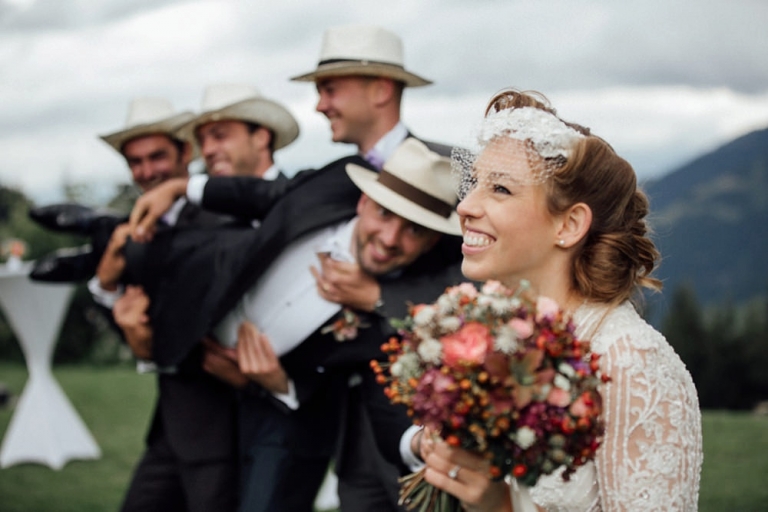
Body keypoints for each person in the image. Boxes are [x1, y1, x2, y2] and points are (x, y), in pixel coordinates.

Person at [124, 138, 464, 511]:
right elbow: (263, 192)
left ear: (431, 241)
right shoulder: (324, 193)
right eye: (384, 214)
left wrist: (280, 384)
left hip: (278, 415)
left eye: (414, 230)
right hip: (196, 378)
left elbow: (368, 391)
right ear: (364, 201)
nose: (389, 239)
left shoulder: (400, 313)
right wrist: (181, 188)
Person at [420, 89, 703, 511]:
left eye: (499, 188)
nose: (466, 206)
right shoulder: (503, 336)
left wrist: (498, 507)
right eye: (473, 183)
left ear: (569, 224)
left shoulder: (629, 362)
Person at [102, 92, 299, 512]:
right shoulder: (146, 225)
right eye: (135, 162)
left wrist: (152, 350)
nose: (148, 171)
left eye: (220, 136)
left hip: (245, 423)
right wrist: (106, 288)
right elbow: (146, 312)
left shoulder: (230, 214)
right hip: (180, 423)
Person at [290, 23, 458, 511]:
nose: (320, 104)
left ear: (380, 89)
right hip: (354, 429)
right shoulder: (334, 178)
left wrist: (377, 298)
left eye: (329, 89)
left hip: (436, 424)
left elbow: (492, 272)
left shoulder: (458, 167)